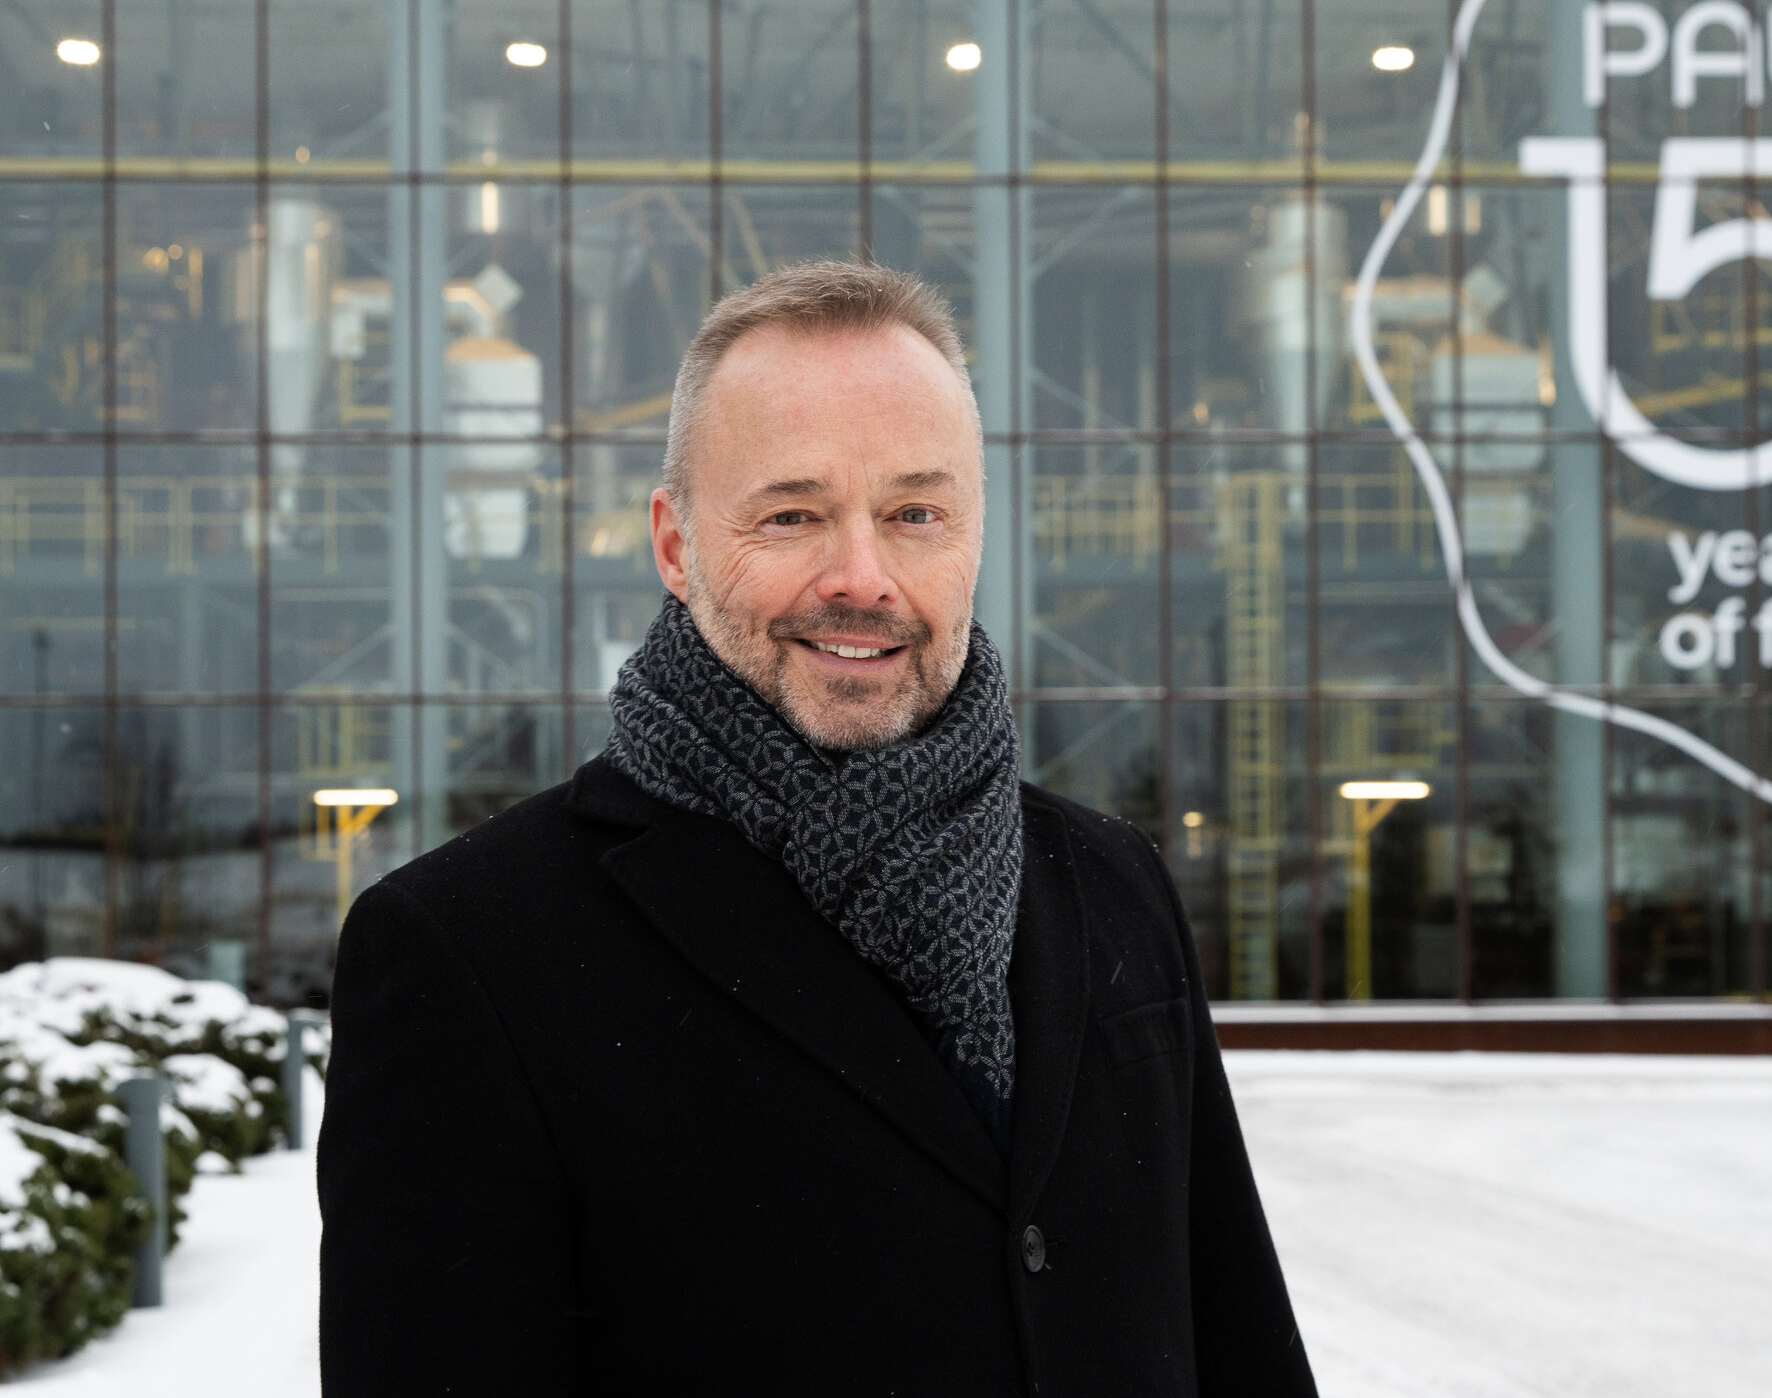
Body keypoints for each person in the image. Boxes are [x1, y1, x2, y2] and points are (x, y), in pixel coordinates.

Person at [318, 260, 1316, 1396]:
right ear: (676, 545)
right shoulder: (468, 951)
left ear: (976, 535)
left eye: (915, 514)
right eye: (793, 514)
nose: (862, 577)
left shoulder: (1110, 879)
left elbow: (1236, 1334)